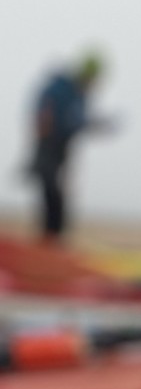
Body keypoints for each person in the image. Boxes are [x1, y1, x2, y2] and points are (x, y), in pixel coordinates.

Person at [24, 50, 114, 244]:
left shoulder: (79, 94)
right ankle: (49, 238)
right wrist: (42, 136)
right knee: (50, 188)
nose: (93, 84)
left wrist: (97, 124)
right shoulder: (60, 88)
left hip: (64, 146)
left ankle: (55, 239)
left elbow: (77, 122)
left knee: (59, 191)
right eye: (92, 79)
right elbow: (44, 112)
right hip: (48, 143)